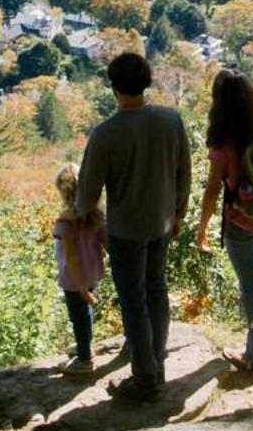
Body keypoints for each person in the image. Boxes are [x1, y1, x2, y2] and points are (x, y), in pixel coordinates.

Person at [74, 52, 191, 402]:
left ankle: (144, 380)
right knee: (157, 290)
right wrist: (180, 214)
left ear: (114, 88)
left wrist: (78, 215)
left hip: (126, 230)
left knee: (134, 300)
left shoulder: (106, 133)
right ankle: (157, 366)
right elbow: (184, 172)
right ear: (146, 80)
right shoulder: (171, 120)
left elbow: (88, 192)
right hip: (163, 221)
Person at [195, 70, 253, 371]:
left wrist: (202, 229)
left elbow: (212, 191)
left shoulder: (222, 143)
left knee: (250, 289)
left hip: (239, 221)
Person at [51, 164, 104, 377]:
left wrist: (81, 287)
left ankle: (84, 359)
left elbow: (72, 257)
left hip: (75, 280)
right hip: (92, 273)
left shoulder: (66, 223)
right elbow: (108, 244)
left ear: (64, 192)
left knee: (78, 315)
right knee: (85, 312)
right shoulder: (96, 216)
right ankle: (86, 346)